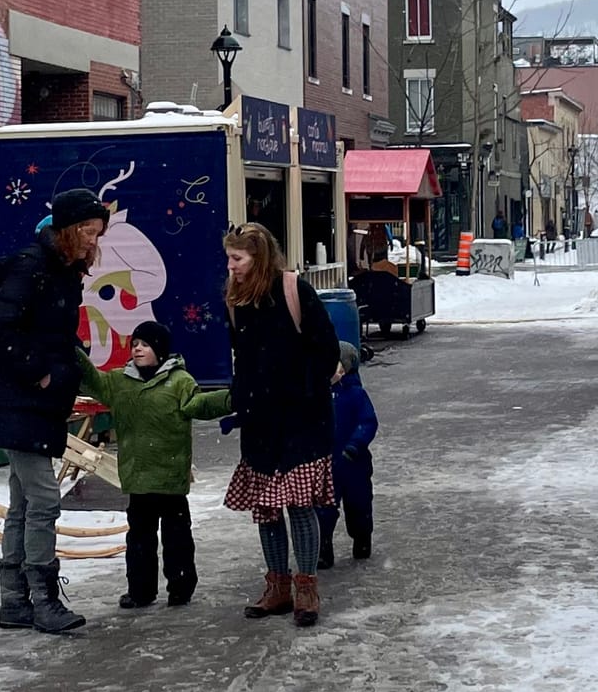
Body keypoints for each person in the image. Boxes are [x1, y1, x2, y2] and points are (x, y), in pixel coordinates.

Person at [0, 188, 110, 634]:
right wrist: (39, 372)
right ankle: (43, 599)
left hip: (36, 404)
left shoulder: (61, 270)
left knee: (22, 502)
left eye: (98, 233)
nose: (94, 241)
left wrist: (74, 365)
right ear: (68, 229)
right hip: (21, 400)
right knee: (44, 500)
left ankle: (14, 600)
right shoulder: (33, 267)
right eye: (88, 231)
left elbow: (51, 330)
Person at [218, 222, 338, 627]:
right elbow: (242, 357)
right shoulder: (234, 299)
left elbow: (326, 348)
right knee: (267, 509)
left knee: (300, 505)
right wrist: (244, 397)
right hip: (260, 421)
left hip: (302, 418)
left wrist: (301, 389)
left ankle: (306, 587)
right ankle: (278, 586)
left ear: (259, 256)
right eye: (229, 259)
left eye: (237, 258)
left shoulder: (293, 289)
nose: (231, 266)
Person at [76, 321, 230, 610]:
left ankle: (181, 588)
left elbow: (202, 404)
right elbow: (91, 380)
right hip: (139, 479)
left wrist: (235, 398)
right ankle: (140, 591)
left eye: (144, 344)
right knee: (139, 541)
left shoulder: (180, 382)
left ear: (159, 350)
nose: (137, 349)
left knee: (177, 538)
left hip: (170, 477)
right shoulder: (119, 382)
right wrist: (72, 349)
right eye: (135, 344)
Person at [317, 341, 378, 569]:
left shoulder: (355, 395)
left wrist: (356, 444)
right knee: (323, 509)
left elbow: (368, 421)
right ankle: (323, 547)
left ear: (345, 369)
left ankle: (362, 537)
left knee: (359, 504)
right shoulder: (318, 395)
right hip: (325, 462)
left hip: (354, 463)